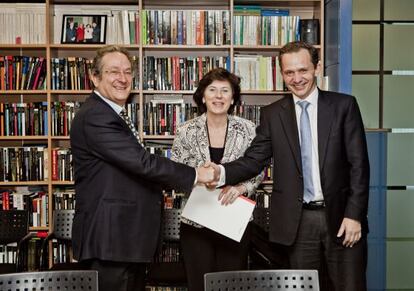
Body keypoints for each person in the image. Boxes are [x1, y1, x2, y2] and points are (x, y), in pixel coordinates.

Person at [210, 41, 370, 291]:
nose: (297, 78)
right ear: (282, 74)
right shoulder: (273, 114)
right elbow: (254, 160)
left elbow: (359, 165)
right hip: (297, 223)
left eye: (303, 70)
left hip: (341, 218)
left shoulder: (344, 106)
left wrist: (354, 214)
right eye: (289, 72)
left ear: (316, 68)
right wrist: (220, 172)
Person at [70, 45, 215, 291]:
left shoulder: (111, 113)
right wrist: (195, 174)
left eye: (127, 72)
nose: (123, 78)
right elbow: (142, 163)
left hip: (123, 238)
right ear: (95, 77)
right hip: (111, 239)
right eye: (113, 72)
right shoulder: (96, 115)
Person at [171, 68, 264, 291]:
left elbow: (259, 168)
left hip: (233, 220)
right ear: (203, 96)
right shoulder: (186, 130)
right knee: (199, 284)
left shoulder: (249, 129)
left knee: (232, 285)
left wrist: (242, 187)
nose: (218, 96)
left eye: (225, 91)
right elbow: (174, 171)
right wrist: (197, 177)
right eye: (212, 90)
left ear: (233, 98)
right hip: (196, 222)